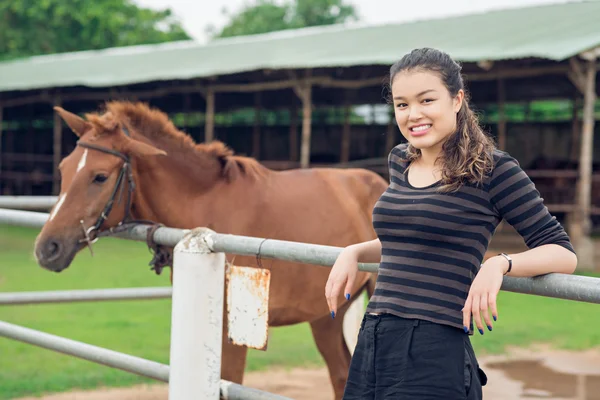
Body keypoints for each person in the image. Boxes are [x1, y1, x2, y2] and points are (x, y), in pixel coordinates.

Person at [325, 47, 578, 399]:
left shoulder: (494, 170)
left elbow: (563, 253)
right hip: (375, 336)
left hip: (434, 347)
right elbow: (410, 241)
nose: (413, 114)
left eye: (426, 100)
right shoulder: (400, 160)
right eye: (402, 104)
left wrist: (499, 265)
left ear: (457, 99)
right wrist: (354, 251)